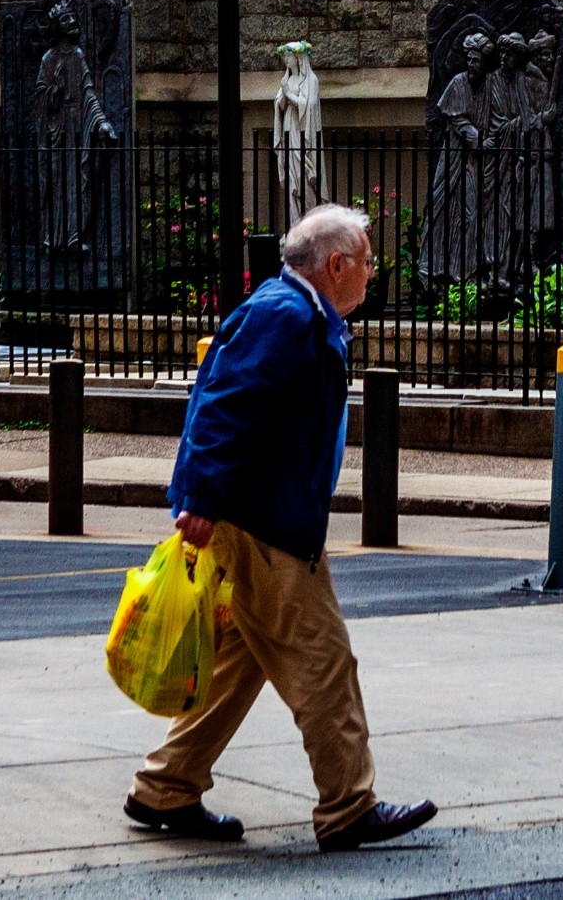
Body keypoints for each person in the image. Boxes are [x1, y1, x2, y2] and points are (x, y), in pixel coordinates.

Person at [127, 203, 436, 854]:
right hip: (266, 521)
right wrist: (200, 497)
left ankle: (166, 785)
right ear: (336, 265)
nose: (372, 272)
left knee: (240, 661)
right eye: (367, 261)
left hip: (262, 513)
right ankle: (348, 804)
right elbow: (224, 404)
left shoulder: (296, 312)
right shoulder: (285, 315)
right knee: (323, 658)